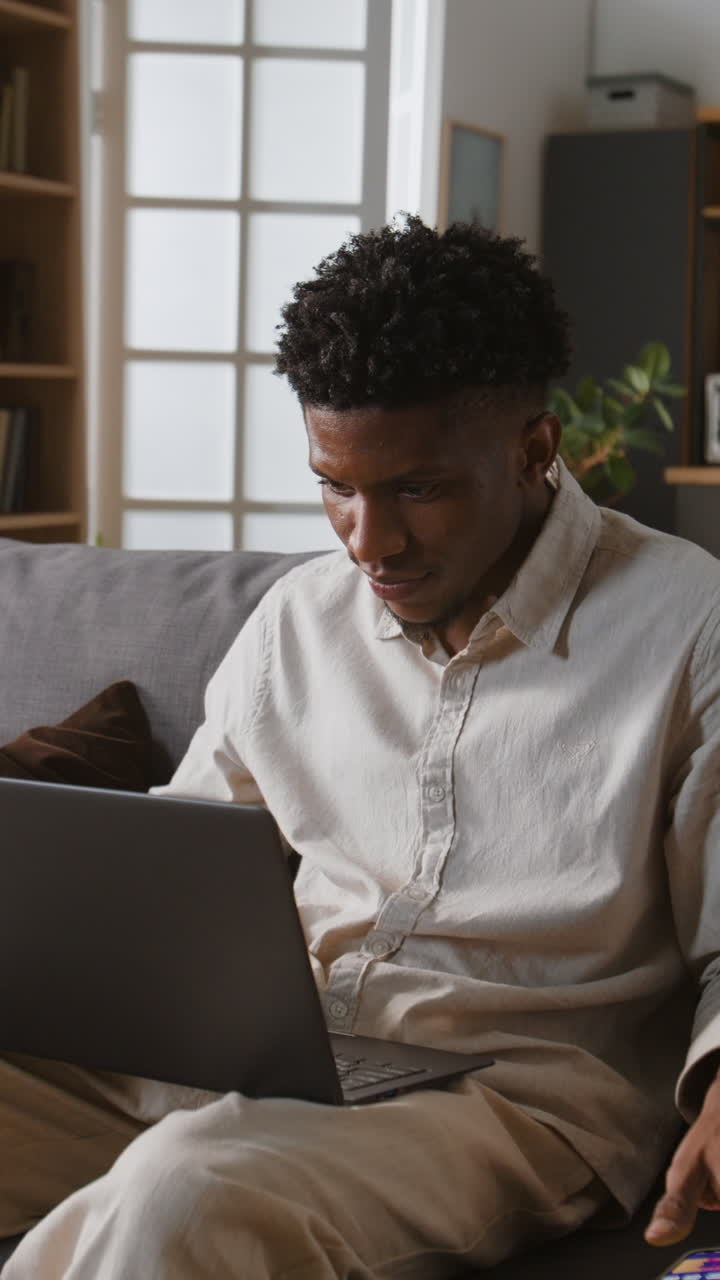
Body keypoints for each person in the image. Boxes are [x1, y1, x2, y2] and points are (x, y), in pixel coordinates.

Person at [3, 216, 720, 1279]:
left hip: (506, 1091)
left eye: (417, 490)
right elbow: (173, 874)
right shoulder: (297, 620)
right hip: (263, 1061)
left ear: (535, 451)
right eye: (335, 484)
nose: (367, 541)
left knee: (185, 1194)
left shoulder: (688, 623)